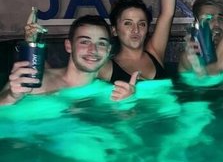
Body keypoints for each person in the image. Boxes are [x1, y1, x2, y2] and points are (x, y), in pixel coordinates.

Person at [98, 0, 193, 83]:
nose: (135, 30)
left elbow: (167, 13)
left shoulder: (155, 53)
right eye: (128, 23)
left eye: (141, 24)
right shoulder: (105, 69)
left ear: (147, 28)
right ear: (114, 30)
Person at [0, 15, 136, 106]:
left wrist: (128, 105)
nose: (93, 50)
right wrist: (11, 96)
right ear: (69, 46)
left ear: (108, 50)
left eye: (101, 43)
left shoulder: (110, 93)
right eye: (84, 42)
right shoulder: (35, 82)